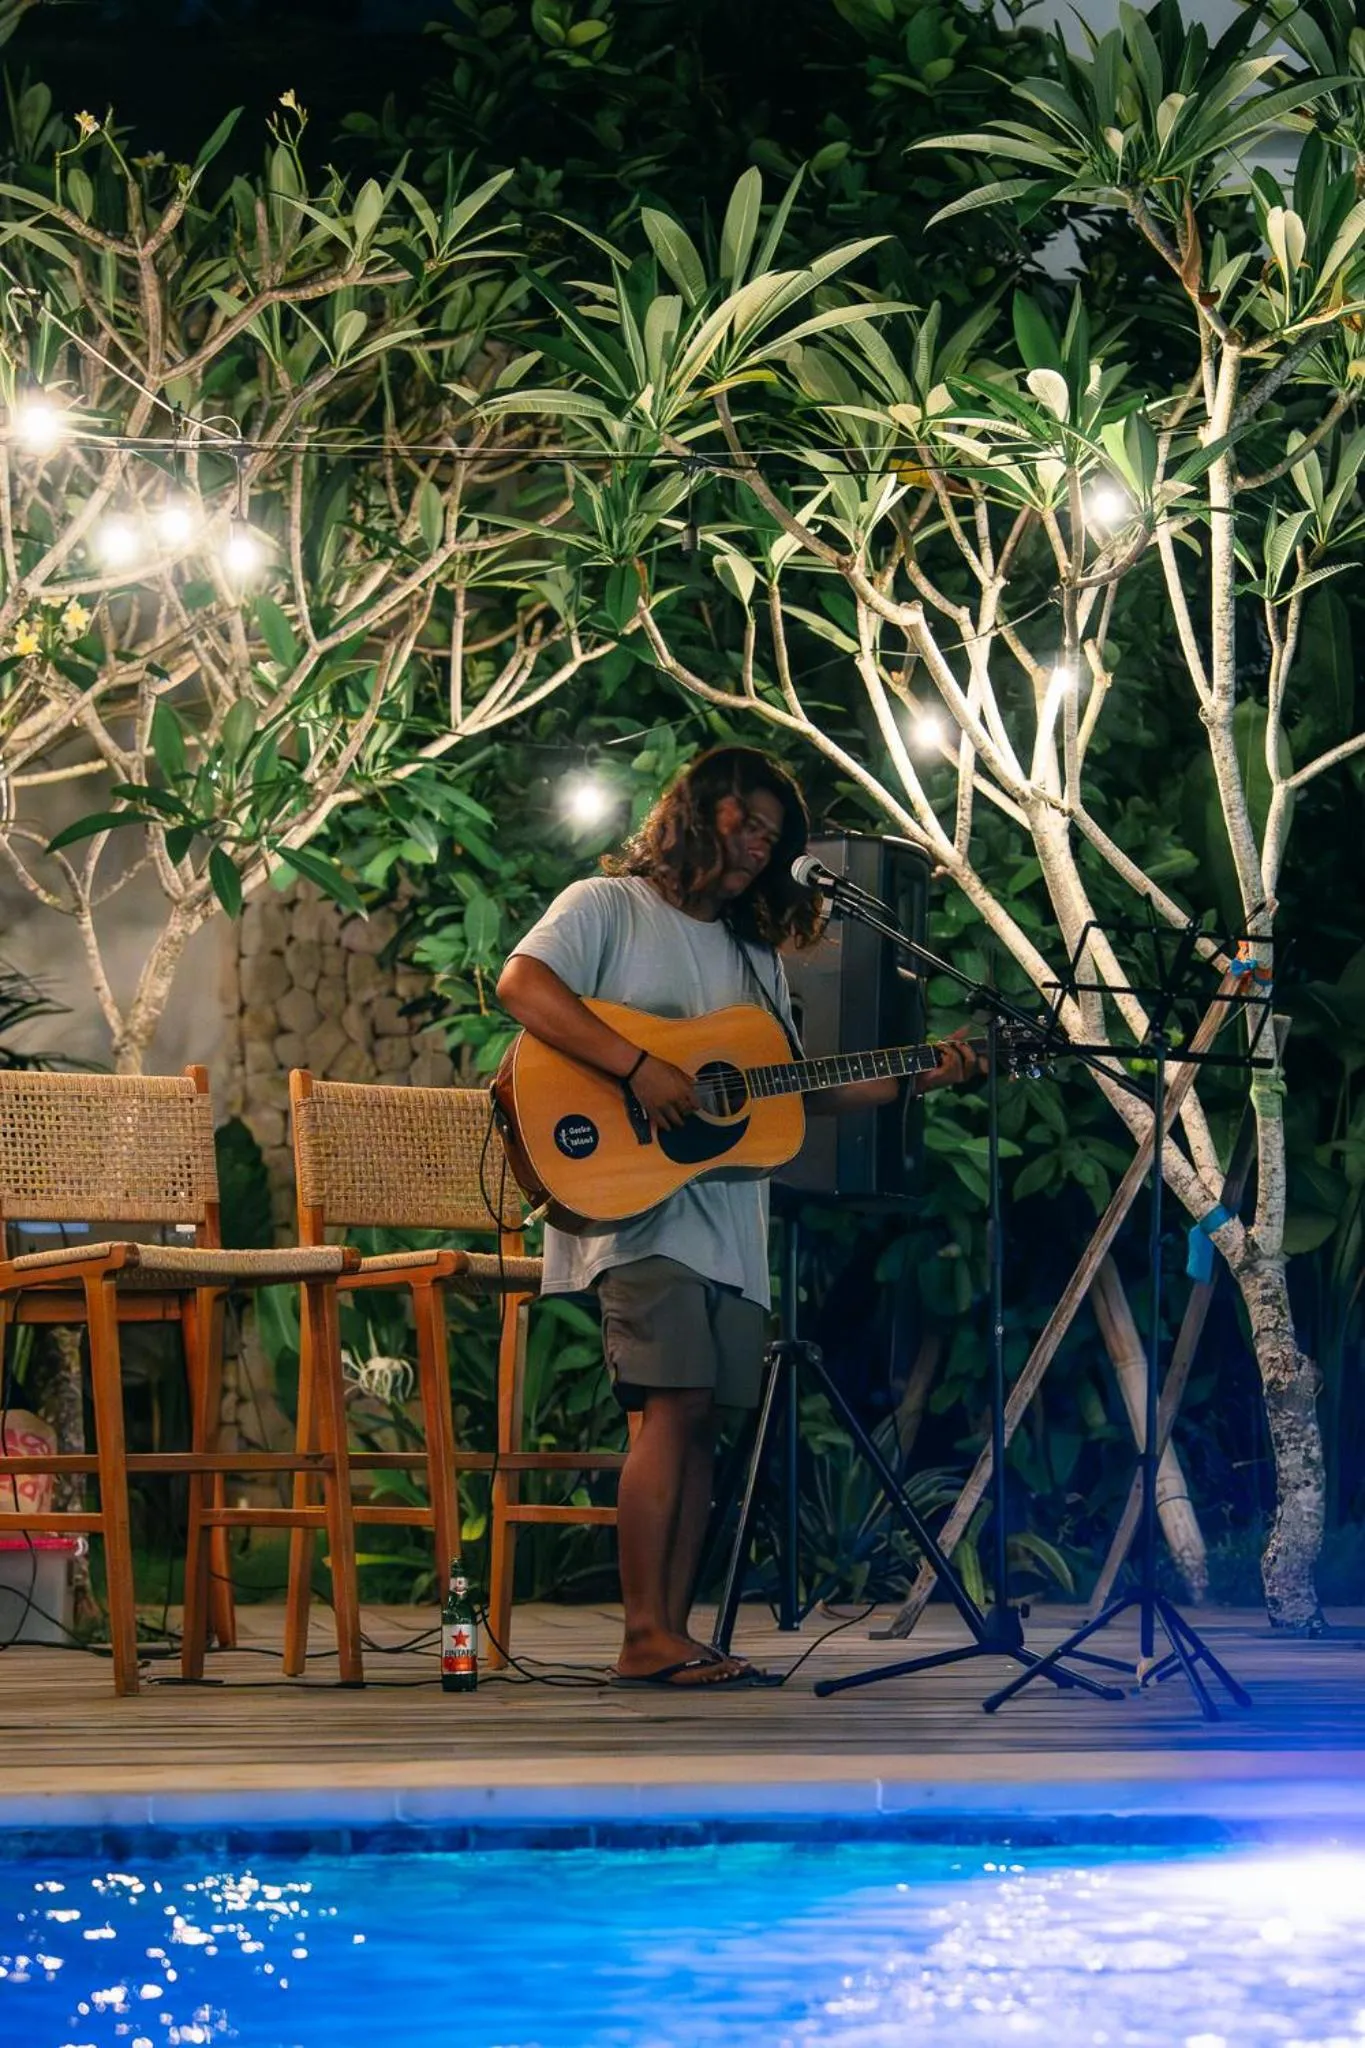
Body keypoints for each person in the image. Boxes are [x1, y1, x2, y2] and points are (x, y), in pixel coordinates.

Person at [496, 746, 979, 1688]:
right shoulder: (606, 907)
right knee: (668, 1406)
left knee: (704, 1420)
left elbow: (791, 1091)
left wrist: (923, 1072)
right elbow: (524, 987)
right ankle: (643, 1635)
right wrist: (641, 1067)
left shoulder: (754, 957)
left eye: (774, 833)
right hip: (638, 1208)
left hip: (726, 1221)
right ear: (696, 812)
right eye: (747, 822)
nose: (761, 844)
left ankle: (670, 1636)